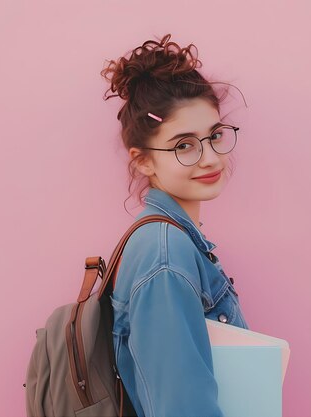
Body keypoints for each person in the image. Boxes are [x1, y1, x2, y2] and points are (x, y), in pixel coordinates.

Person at [100, 33, 250, 417]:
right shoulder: (165, 255)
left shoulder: (174, 240)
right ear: (143, 161)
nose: (211, 158)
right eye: (184, 145)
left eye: (215, 136)